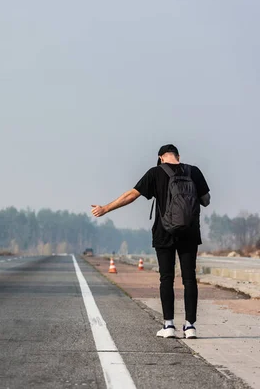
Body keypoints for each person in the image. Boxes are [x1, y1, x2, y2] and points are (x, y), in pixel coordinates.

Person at [90, 144, 210, 339]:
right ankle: (190, 327)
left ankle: (169, 325)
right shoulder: (193, 171)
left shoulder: (156, 172)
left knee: (166, 278)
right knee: (189, 279)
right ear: (178, 156)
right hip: (189, 233)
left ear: (161, 157)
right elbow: (206, 200)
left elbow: (132, 195)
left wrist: (106, 208)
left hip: (164, 233)